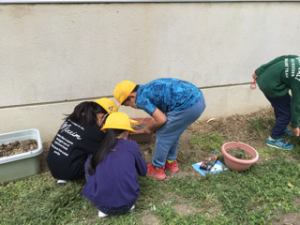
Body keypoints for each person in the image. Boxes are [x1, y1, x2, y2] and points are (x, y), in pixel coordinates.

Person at [113, 78, 206, 180]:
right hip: (198, 100)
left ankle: (157, 169)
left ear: (132, 97)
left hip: (187, 106)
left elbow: (161, 119)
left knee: (163, 135)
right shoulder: (148, 89)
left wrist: (148, 128)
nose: (131, 107)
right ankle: (171, 163)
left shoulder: (141, 99)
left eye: (128, 105)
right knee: (172, 132)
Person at [82, 112, 147, 218]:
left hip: (102, 206)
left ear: (105, 130)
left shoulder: (99, 146)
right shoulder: (132, 145)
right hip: (128, 203)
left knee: (90, 160)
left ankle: (102, 206)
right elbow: (143, 171)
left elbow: (91, 169)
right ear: (127, 132)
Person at [46, 98, 118, 184]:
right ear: (102, 117)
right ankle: (93, 181)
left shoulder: (73, 118)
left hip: (52, 164)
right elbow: (106, 150)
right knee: (98, 152)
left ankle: (62, 177)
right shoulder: (95, 131)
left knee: (80, 145)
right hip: (70, 171)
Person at [252, 55, 300, 150]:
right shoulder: (298, 80)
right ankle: (274, 139)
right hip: (271, 86)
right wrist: (295, 125)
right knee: (287, 112)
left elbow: (281, 58)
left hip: (265, 77)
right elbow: (296, 103)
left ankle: (281, 129)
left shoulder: (297, 59)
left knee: (282, 106)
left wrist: (259, 70)